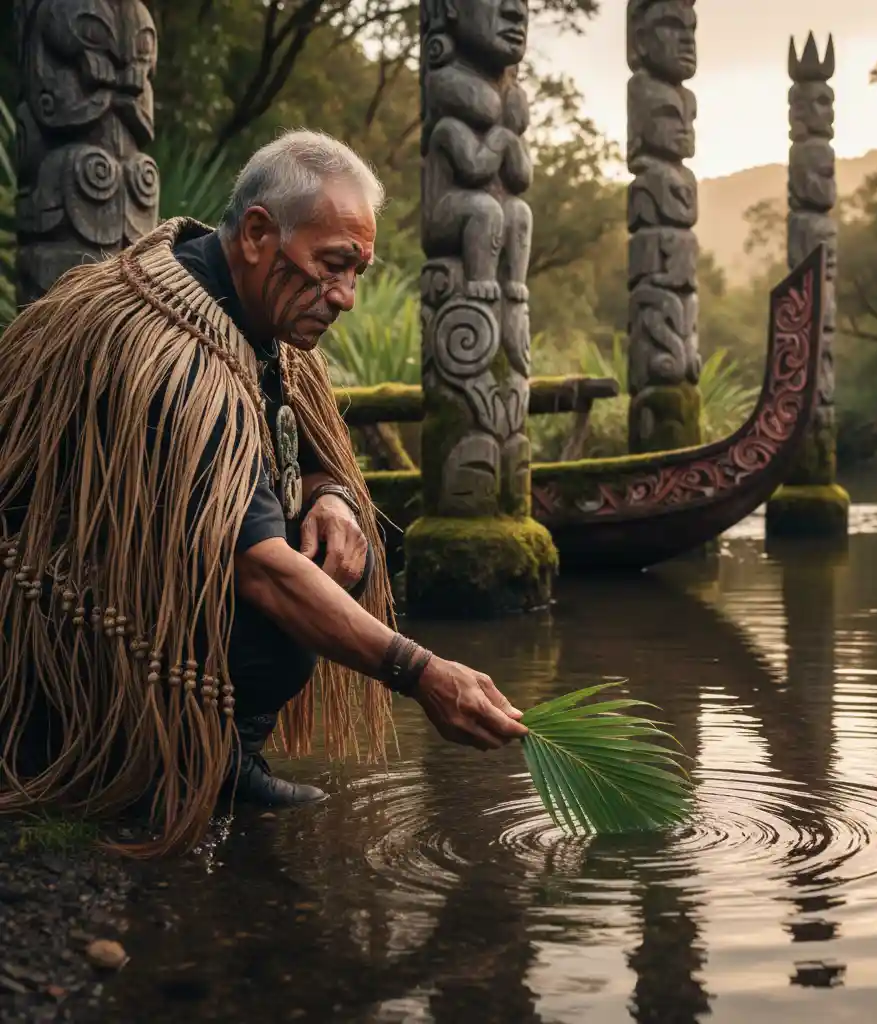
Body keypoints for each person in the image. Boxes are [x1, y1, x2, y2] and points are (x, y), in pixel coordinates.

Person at [0, 130, 527, 857]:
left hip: (140, 581)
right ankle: (150, 762)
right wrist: (422, 673)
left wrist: (331, 494)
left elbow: (289, 449)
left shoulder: (249, 317)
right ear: (256, 234)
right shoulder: (173, 358)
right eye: (332, 265)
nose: (345, 297)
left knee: (343, 546)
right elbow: (257, 569)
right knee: (284, 595)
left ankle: (228, 752)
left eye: (358, 273)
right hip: (60, 624)